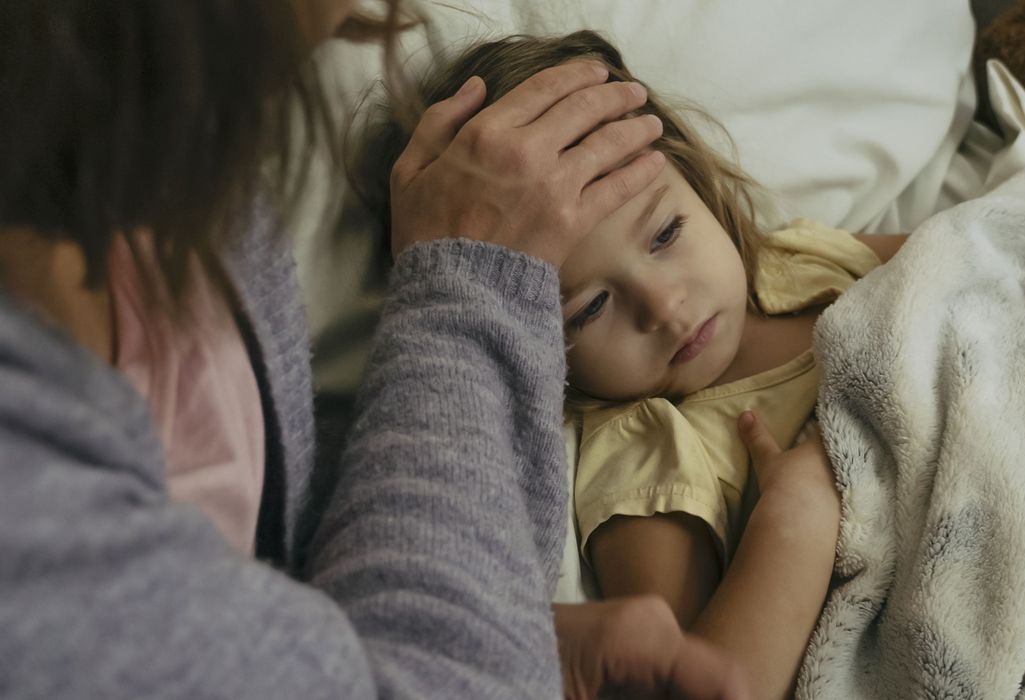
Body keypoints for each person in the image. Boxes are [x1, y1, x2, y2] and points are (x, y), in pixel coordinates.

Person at [0, 2, 747, 698]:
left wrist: (507, 635)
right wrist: (471, 279)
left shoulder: (175, 143)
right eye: (586, 307)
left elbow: (246, 577)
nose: (373, 17)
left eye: (665, 232)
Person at [361, 31, 912, 700]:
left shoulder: (797, 260)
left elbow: (982, 259)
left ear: (696, 180)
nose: (661, 304)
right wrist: (792, 516)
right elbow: (703, 680)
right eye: (588, 310)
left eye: (665, 234)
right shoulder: (646, 450)